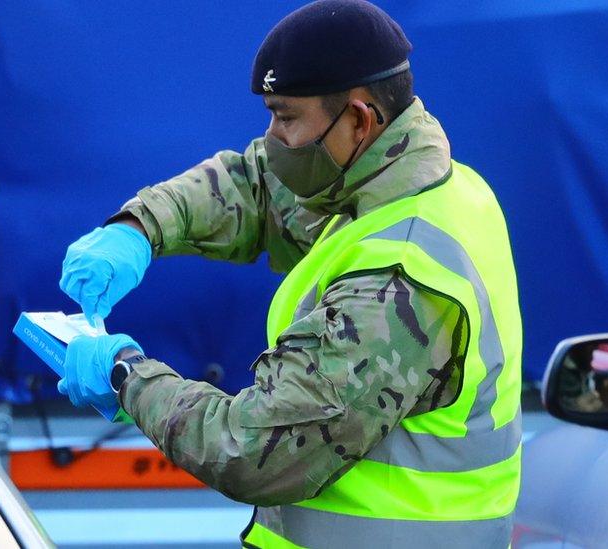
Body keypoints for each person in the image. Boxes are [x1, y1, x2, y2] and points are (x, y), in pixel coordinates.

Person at [57, 1, 522, 547]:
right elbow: (256, 186)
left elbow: (256, 450)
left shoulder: (397, 283)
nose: (272, 136)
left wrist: (127, 377)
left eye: (286, 116)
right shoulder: (402, 184)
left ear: (358, 118)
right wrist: (139, 229)